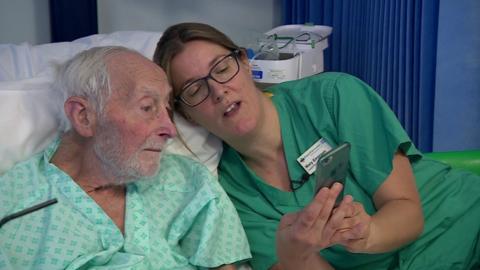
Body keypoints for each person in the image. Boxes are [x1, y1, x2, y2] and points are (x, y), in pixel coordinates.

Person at [153, 22, 480, 270]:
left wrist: (368, 233)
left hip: (466, 222)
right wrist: (295, 255)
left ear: (245, 62)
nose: (218, 91)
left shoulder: (334, 97)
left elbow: (407, 210)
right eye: (195, 89)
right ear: (187, 116)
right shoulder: (234, 197)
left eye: (222, 68)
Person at [0, 46, 251, 270]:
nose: (170, 130)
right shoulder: (12, 206)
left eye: (167, 109)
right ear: (84, 116)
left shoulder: (191, 183)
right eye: (147, 107)